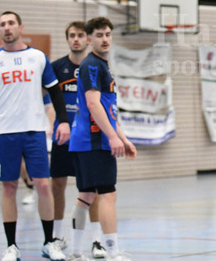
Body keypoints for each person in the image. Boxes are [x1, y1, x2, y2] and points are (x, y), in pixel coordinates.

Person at [0, 11, 70, 261]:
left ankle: (49, 243)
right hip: (5, 132)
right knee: (9, 186)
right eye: (2, 24)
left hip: (34, 131)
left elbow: (55, 92)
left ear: (21, 27)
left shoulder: (38, 57)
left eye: (11, 23)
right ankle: (11, 246)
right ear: (0, 30)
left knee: (43, 184)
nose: (7, 28)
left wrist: (63, 121)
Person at [67, 17, 136, 261]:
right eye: (99, 35)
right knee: (107, 194)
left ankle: (75, 252)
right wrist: (112, 137)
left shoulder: (101, 66)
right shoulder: (92, 65)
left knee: (86, 195)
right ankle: (113, 253)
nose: (104, 39)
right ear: (89, 39)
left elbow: (109, 109)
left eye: (107, 34)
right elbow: (93, 104)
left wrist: (123, 138)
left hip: (86, 141)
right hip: (93, 140)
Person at [46, 21, 106, 258]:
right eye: (72, 35)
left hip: (88, 137)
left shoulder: (95, 67)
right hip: (63, 137)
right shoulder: (56, 68)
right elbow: (42, 95)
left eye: (80, 35)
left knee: (92, 189)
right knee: (57, 185)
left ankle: (97, 240)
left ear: (87, 39)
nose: (76, 39)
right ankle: (57, 237)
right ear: (67, 39)